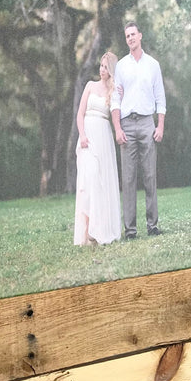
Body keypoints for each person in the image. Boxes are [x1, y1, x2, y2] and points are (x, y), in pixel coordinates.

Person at [111, 22, 165, 239]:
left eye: (133, 34)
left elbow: (160, 98)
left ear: (140, 36)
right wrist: (117, 128)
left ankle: (152, 225)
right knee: (129, 178)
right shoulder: (121, 66)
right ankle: (130, 230)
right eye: (127, 36)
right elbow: (115, 100)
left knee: (150, 175)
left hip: (146, 123)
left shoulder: (153, 65)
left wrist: (160, 125)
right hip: (127, 125)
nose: (130, 38)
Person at [74, 51, 121, 245]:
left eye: (106, 67)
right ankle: (87, 230)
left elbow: (117, 112)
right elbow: (79, 114)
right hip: (88, 136)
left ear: (111, 71)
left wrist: (121, 94)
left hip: (103, 136)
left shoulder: (113, 91)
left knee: (100, 181)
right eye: (101, 66)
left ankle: (97, 230)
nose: (102, 70)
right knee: (88, 179)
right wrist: (82, 135)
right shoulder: (90, 86)